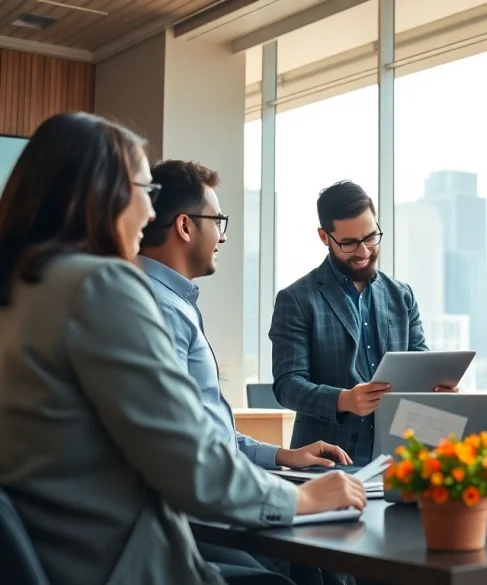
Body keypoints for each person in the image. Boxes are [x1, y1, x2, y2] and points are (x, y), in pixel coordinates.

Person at [0, 112, 366, 585]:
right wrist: (301, 499)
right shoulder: (100, 285)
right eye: (143, 191)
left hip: (59, 553)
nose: (151, 213)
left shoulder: (23, 289)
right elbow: (183, 455)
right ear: (100, 192)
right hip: (120, 560)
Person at [138, 159, 353, 584]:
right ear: (184, 226)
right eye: (217, 220)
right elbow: (184, 451)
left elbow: (200, 428)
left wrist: (278, 456)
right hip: (186, 518)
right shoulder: (158, 310)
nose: (223, 234)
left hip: (202, 502)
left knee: (315, 564)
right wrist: (300, 497)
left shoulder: (172, 302)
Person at [270, 180, 457, 466]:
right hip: (326, 464)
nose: (364, 251)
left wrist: (437, 388)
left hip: (399, 461)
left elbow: (420, 363)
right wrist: (343, 400)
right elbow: (287, 385)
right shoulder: (296, 299)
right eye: (349, 243)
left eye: (371, 237)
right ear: (324, 236)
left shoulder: (401, 295)